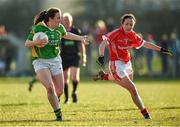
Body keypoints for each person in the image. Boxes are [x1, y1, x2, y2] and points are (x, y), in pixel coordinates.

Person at [93, 13, 172, 119]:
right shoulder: (115, 33)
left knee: (130, 89)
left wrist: (161, 49)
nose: (129, 26)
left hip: (127, 64)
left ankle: (105, 76)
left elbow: (146, 44)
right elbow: (103, 43)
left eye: (131, 25)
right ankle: (145, 114)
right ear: (122, 24)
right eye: (127, 24)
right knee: (133, 89)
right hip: (116, 64)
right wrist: (101, 56)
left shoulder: (132, 35)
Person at [25, 7, 89, 121]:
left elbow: (66, 34)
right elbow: (27, 43)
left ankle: (55, 99)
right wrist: (37, 42)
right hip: (40, 61)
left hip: (55, 60)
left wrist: (81, 38)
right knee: (50, 88)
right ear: (50, 18)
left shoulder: (59, 27)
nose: (60, 20)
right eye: (58, 18)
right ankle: (58, 114)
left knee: (59, 91)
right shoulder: (38, 28)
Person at [61, 12, 87, 104]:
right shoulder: (60, 31)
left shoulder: (76, 31)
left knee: (75, 76)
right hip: (64, 57)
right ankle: (67, 98)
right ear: (62, 21)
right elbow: (58, 46)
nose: (67, 22)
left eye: (68, 20)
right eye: (65, 20)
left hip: (75, 56)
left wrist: (84, 56)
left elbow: (81, 45)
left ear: (71, 21)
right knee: (65, 78)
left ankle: (74, 92)